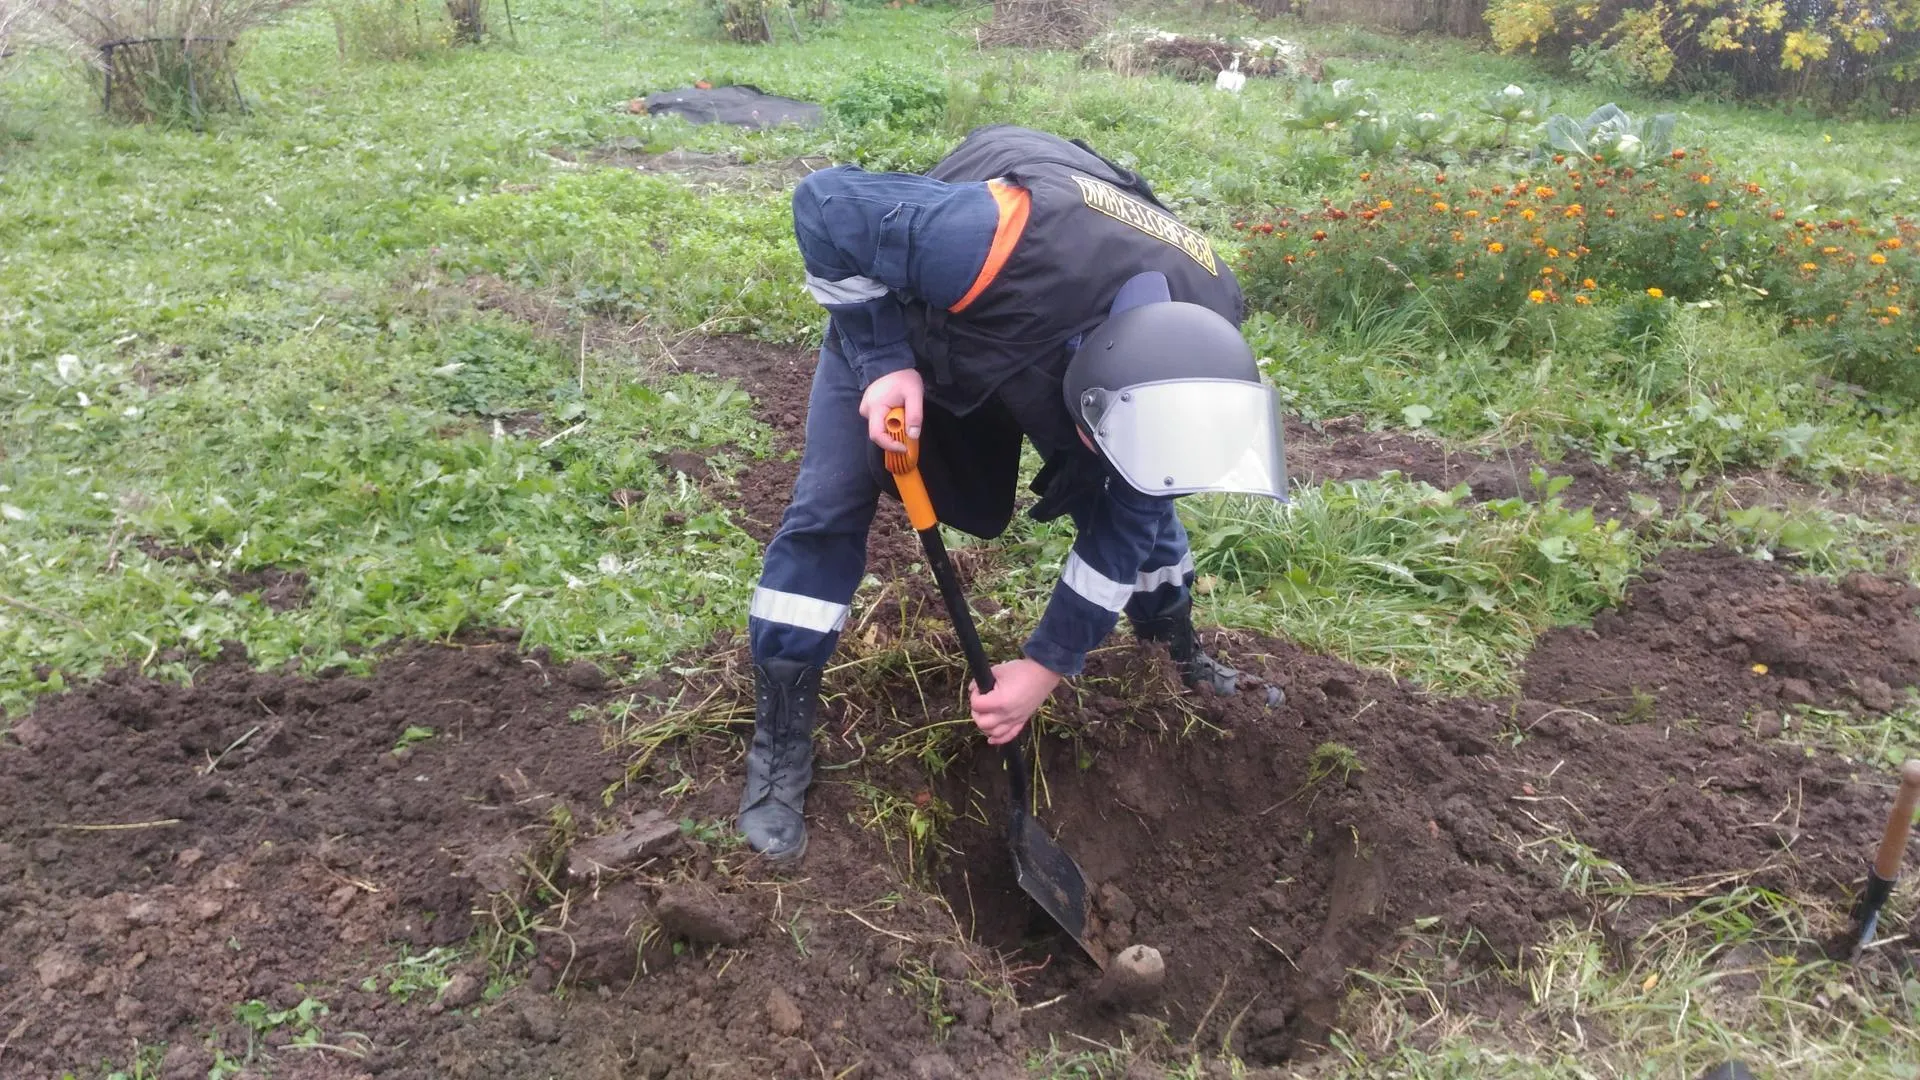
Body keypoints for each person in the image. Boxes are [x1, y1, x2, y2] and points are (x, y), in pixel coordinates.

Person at [737, 124, 1288, 861]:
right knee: (829, 506)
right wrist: (882, 359)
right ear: (1085, 403)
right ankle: (781, 733)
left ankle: (1174, 649)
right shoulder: (997, 239)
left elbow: (1133, 512)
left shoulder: (1203, 330)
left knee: (1140, 506)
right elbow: (825, 203)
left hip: (1053, 340)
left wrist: (1045, 665)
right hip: (922, 325)